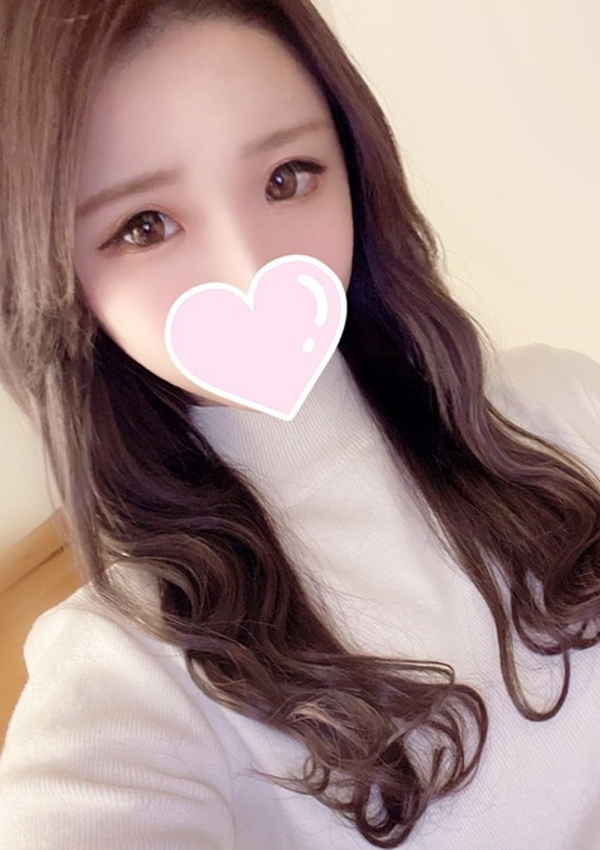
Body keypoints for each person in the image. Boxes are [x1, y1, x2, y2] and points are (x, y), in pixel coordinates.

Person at [1, 1, 600, 847]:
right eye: (145, 226)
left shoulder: (560, 408)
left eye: (287, 176)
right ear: (57, 278)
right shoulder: (126, 669)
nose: (250, 268)